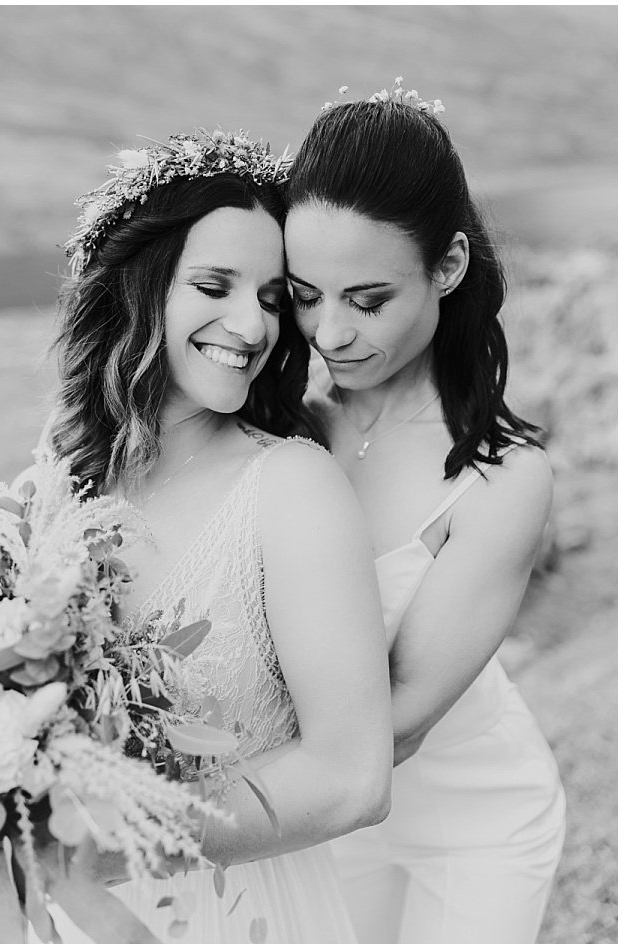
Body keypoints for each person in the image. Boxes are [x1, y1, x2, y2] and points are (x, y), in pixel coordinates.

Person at [46, 130, 391, 941]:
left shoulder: (291, 488)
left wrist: (113, 841)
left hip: (235, 915)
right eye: (214, 286)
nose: (251, 325)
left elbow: (354, 777)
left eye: (273, 299)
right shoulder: (63, 483)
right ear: (140, 289)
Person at [288, 82, 565, 943]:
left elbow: (393, 725)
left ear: (447, 266)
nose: (329, 333)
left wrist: (159, 803)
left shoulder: (503, 479)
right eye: (303, 295)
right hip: (323, 821)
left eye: (367, 300)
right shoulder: (287, 428)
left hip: (470, 826)